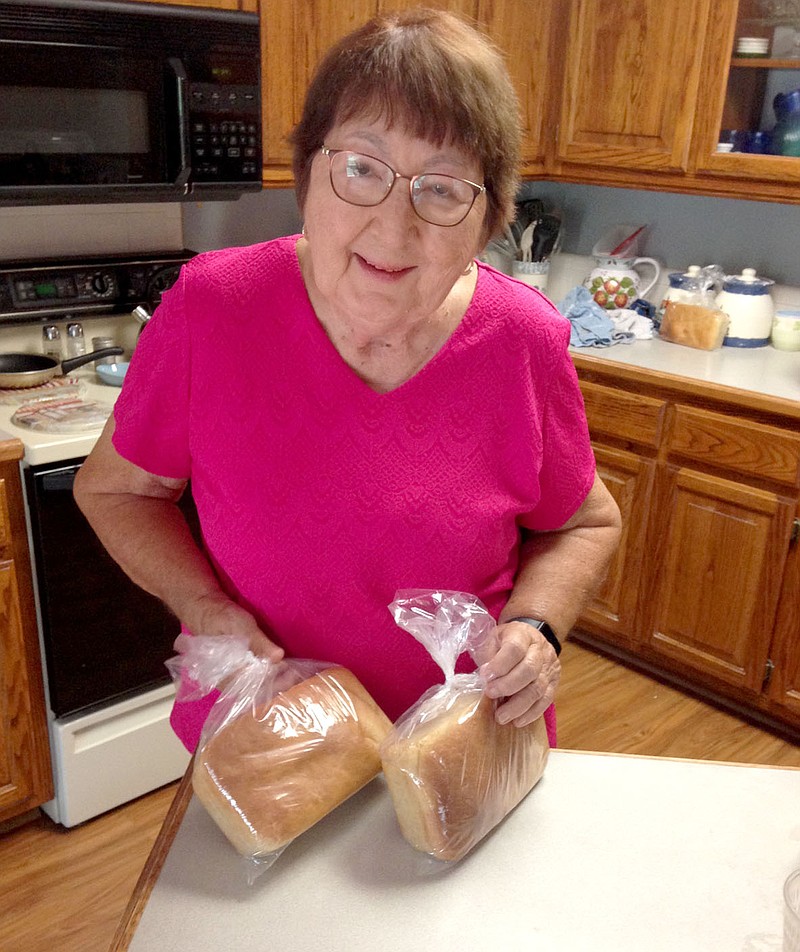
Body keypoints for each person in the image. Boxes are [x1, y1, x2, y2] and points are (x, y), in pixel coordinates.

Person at [73, 8, 621, 753]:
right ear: (307, 177)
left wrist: (535, 626)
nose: (394, 232)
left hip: (464, 749)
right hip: (269, 741)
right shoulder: (214, 308)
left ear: (489, 213)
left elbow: (584, 521)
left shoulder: (523, 338)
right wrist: (202, 604)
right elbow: (115, 490)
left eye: (443, 188)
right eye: (362, 168)